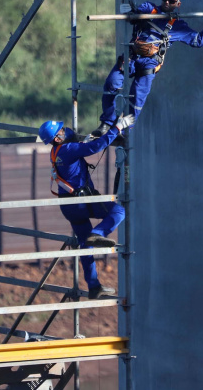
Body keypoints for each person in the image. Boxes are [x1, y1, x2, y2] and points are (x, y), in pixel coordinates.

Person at [92, 0, 203, 138]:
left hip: (149, 64)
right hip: (131, 58)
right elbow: (134, 17)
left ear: (178, 4)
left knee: (136, 101)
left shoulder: (178, 26)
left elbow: (198, 41)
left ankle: (125, 131)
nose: (166, 2)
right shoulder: (149, 9)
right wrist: (130, 13)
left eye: (171, 0)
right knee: (111, 83)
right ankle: (107, 123)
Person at [38, 114, 134, 298]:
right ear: (57, 138)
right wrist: (118, 127)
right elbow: (97, 147)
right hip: (81, 201)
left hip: (68, 205)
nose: (66, 130)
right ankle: (98, 234)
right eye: (62, 130)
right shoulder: (68, 149)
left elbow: (78, 149)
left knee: (84, 245)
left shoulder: (56, 152)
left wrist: (82, 146)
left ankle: (94, 286)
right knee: (119, 210)